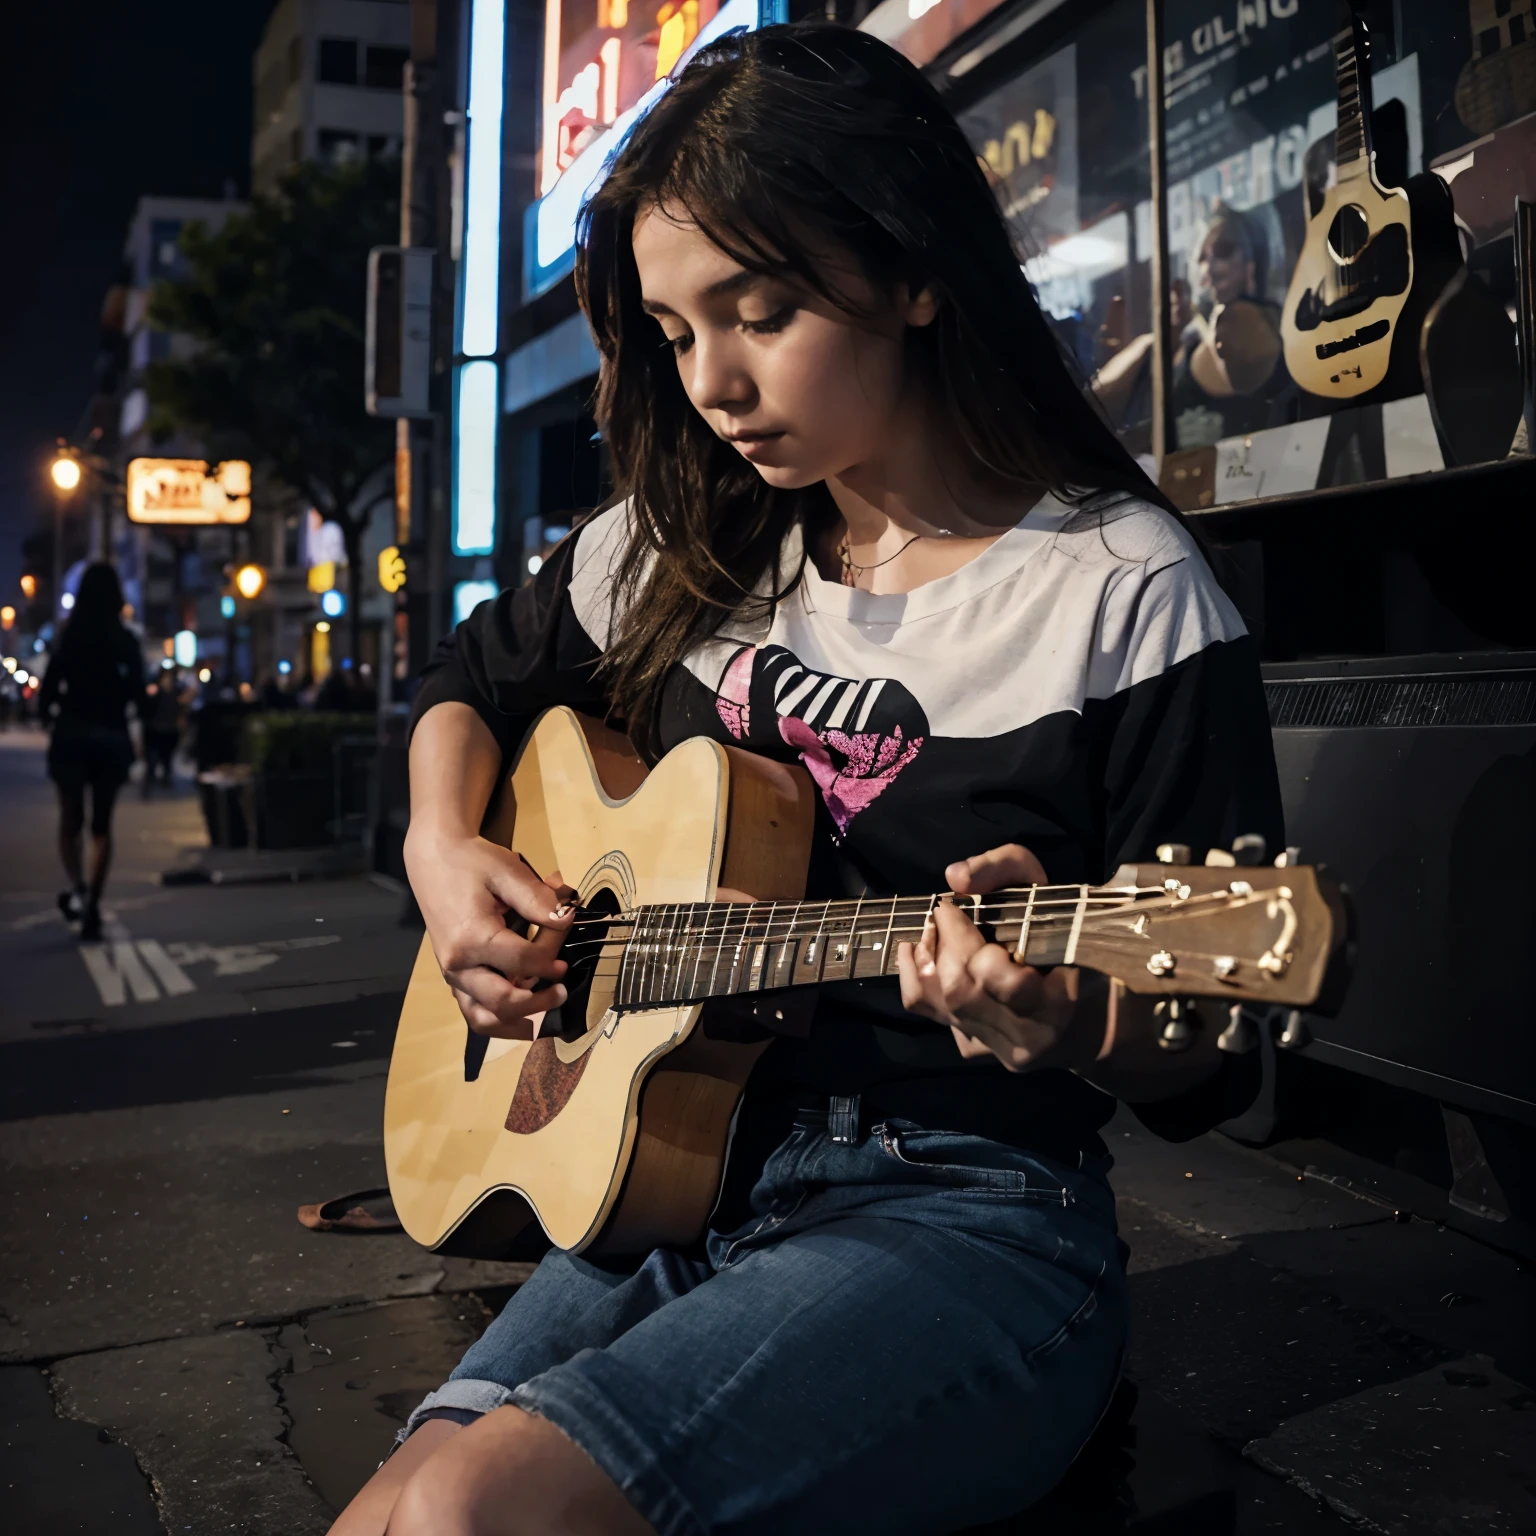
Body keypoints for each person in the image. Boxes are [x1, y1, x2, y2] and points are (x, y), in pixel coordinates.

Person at [333, 25, 1281, 1535]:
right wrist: (445, 854)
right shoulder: (688, 538)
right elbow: (469, 684)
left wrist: (1068, 1019)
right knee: (387, 1514)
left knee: (467, 1516)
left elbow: (1217, 1064)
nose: (712, 381)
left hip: (965, 1216)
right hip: (676, 1179)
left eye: (759, 312)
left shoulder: (1120, 591)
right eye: (671, 330)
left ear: (914, 274)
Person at [38, 563, 146, 942]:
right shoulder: (126, 642)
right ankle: (94, 902)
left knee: (70, 819)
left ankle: (79, 888)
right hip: (111, 736)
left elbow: (48, 690)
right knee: (102, 825)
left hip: (72, 735)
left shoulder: (71, 638)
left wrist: (51, 717)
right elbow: (139, 695)